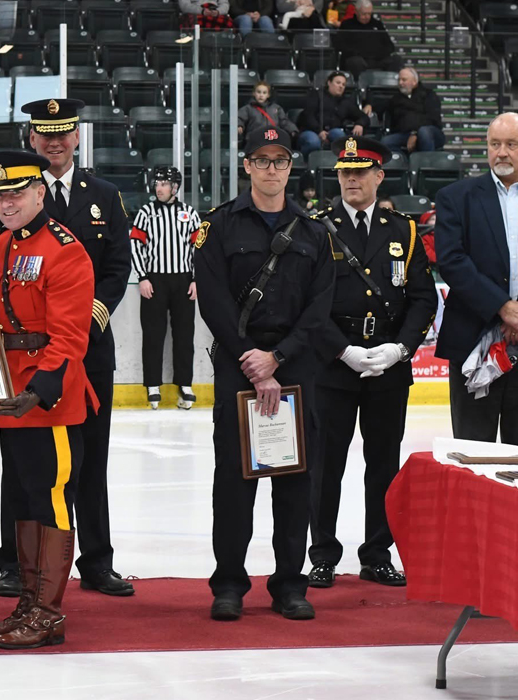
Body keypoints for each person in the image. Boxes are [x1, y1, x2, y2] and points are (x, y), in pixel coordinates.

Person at [0, 99, 131, 598]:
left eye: (63, 133)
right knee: (23, 465)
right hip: (24, 359)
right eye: (45, 134)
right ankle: (17, 567)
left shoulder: (103, 195)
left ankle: (95, 560)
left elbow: (114, 270)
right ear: (33, 140)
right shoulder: (4, 206)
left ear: (76, 138)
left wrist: (87, 319)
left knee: (87, 461)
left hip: (86, 347)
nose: (55, 141)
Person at [194, 127, 333, 622]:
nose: (272, 168)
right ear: (246, 165)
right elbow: (212, 301)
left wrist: (278, 358)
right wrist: (252, 358)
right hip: (238, 365)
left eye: (281, 160)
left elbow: (320, 308)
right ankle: (229, 583)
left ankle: (290, 585)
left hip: (295, 366)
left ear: (290, 167)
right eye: (262, 159)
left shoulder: (314, 232)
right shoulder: (220, 227)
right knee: (233, 481)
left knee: (295, 481)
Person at [0, 150, 96, 649]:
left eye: (16, 193)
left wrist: (39, 392)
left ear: (40, 192)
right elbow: (0, 304)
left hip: (51, 402)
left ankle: (48, 613)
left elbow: (71, 339)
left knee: (52, 500)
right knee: (24, 498)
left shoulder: (67, 249)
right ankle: (28, 601)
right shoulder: (5, 242)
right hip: (12, 394)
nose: (6, 203)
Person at [306, 137, 436, 590]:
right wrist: (342, 350)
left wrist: (400, 349)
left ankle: (377, 553)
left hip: (388, 366)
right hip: (333, 366)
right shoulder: (318, 227)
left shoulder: (405, 229)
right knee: (326, 466)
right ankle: (322, 554)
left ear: (379, 176)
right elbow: (309, 303)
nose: (352, 179)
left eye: (361, 171)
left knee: (383, 464)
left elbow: (422, 299)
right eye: (345, 172)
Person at [435, 112, 518, 442]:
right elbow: (452, 262)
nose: (502, 152)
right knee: (472, 456)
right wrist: (503, 308)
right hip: (472, 344)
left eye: (511, 144)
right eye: (495, 144)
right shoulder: (456, 197)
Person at [131, 165, 201, 410]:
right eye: (156, 184)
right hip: (155, 280)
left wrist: (196, 279)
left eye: (163, 184)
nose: (158, 188)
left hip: (183, 281)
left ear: (175, 187)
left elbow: (198, 249)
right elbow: (136, 246)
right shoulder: (146, 212)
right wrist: (142, 277)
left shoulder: (190, 213)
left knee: (185, 335)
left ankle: (185, 384)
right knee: (153, 334)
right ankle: (152, 385)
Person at [296, 72, 372, 157]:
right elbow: (308, 115)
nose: (341, 86)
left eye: (343, 84)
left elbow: (363, 117)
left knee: (340, 136)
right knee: (313, 142)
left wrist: (359, 124)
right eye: (338, 83)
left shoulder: (345, 102)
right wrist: (319, 130)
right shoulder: (316, 95)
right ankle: (308, 164)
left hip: (331, 131)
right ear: (329, 83)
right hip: (311, 130)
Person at [381, 67, 445, 155]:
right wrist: (369, 104)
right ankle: (408, 161)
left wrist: (415, 133)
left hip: (430, 132)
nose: (400, 83)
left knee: (424, 132)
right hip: (405, 134)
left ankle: (426, 163)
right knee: (386, 142)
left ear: (414, 81)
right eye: (399, 80)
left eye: (404, 80)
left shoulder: (429, 95)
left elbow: (432, 118)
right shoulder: (395, 99)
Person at [336, 0, 402, 76]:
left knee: (396, 59)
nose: (367, 17)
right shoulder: (347, 25)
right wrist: (356, 53)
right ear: (356, 11)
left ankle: (391, 85)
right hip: (358, 58)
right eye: (364, 14)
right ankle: (358, 86)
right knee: (355, 62)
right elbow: (339, 45)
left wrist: (380, 53)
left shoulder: (377, 24)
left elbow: (389, 45)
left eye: (369, 14)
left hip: (378, 59)